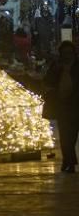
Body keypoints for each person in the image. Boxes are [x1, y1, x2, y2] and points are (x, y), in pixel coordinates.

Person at [44, 41, 79, 173]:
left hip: (76, 106)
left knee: (72, 136)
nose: (67, 56)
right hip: (62, 106)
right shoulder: (56, 67)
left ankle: (68, 160)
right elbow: (47, 81)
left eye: (69, 53)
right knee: (65, 136)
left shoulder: (76, 66)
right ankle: (69, 161)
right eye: (65, 53)